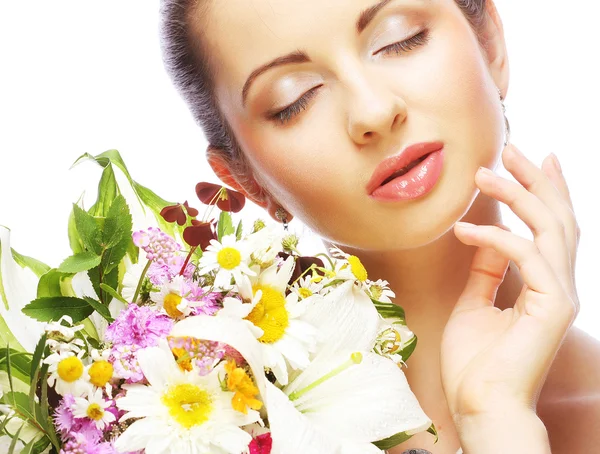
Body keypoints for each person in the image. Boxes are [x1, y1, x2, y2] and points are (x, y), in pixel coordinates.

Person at [159, 0, 600, 452]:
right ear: (247, 181)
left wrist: (499, 411)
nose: (372, 111)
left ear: (489, 42)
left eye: (399, 38)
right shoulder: (204, 430)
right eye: (295, 98)